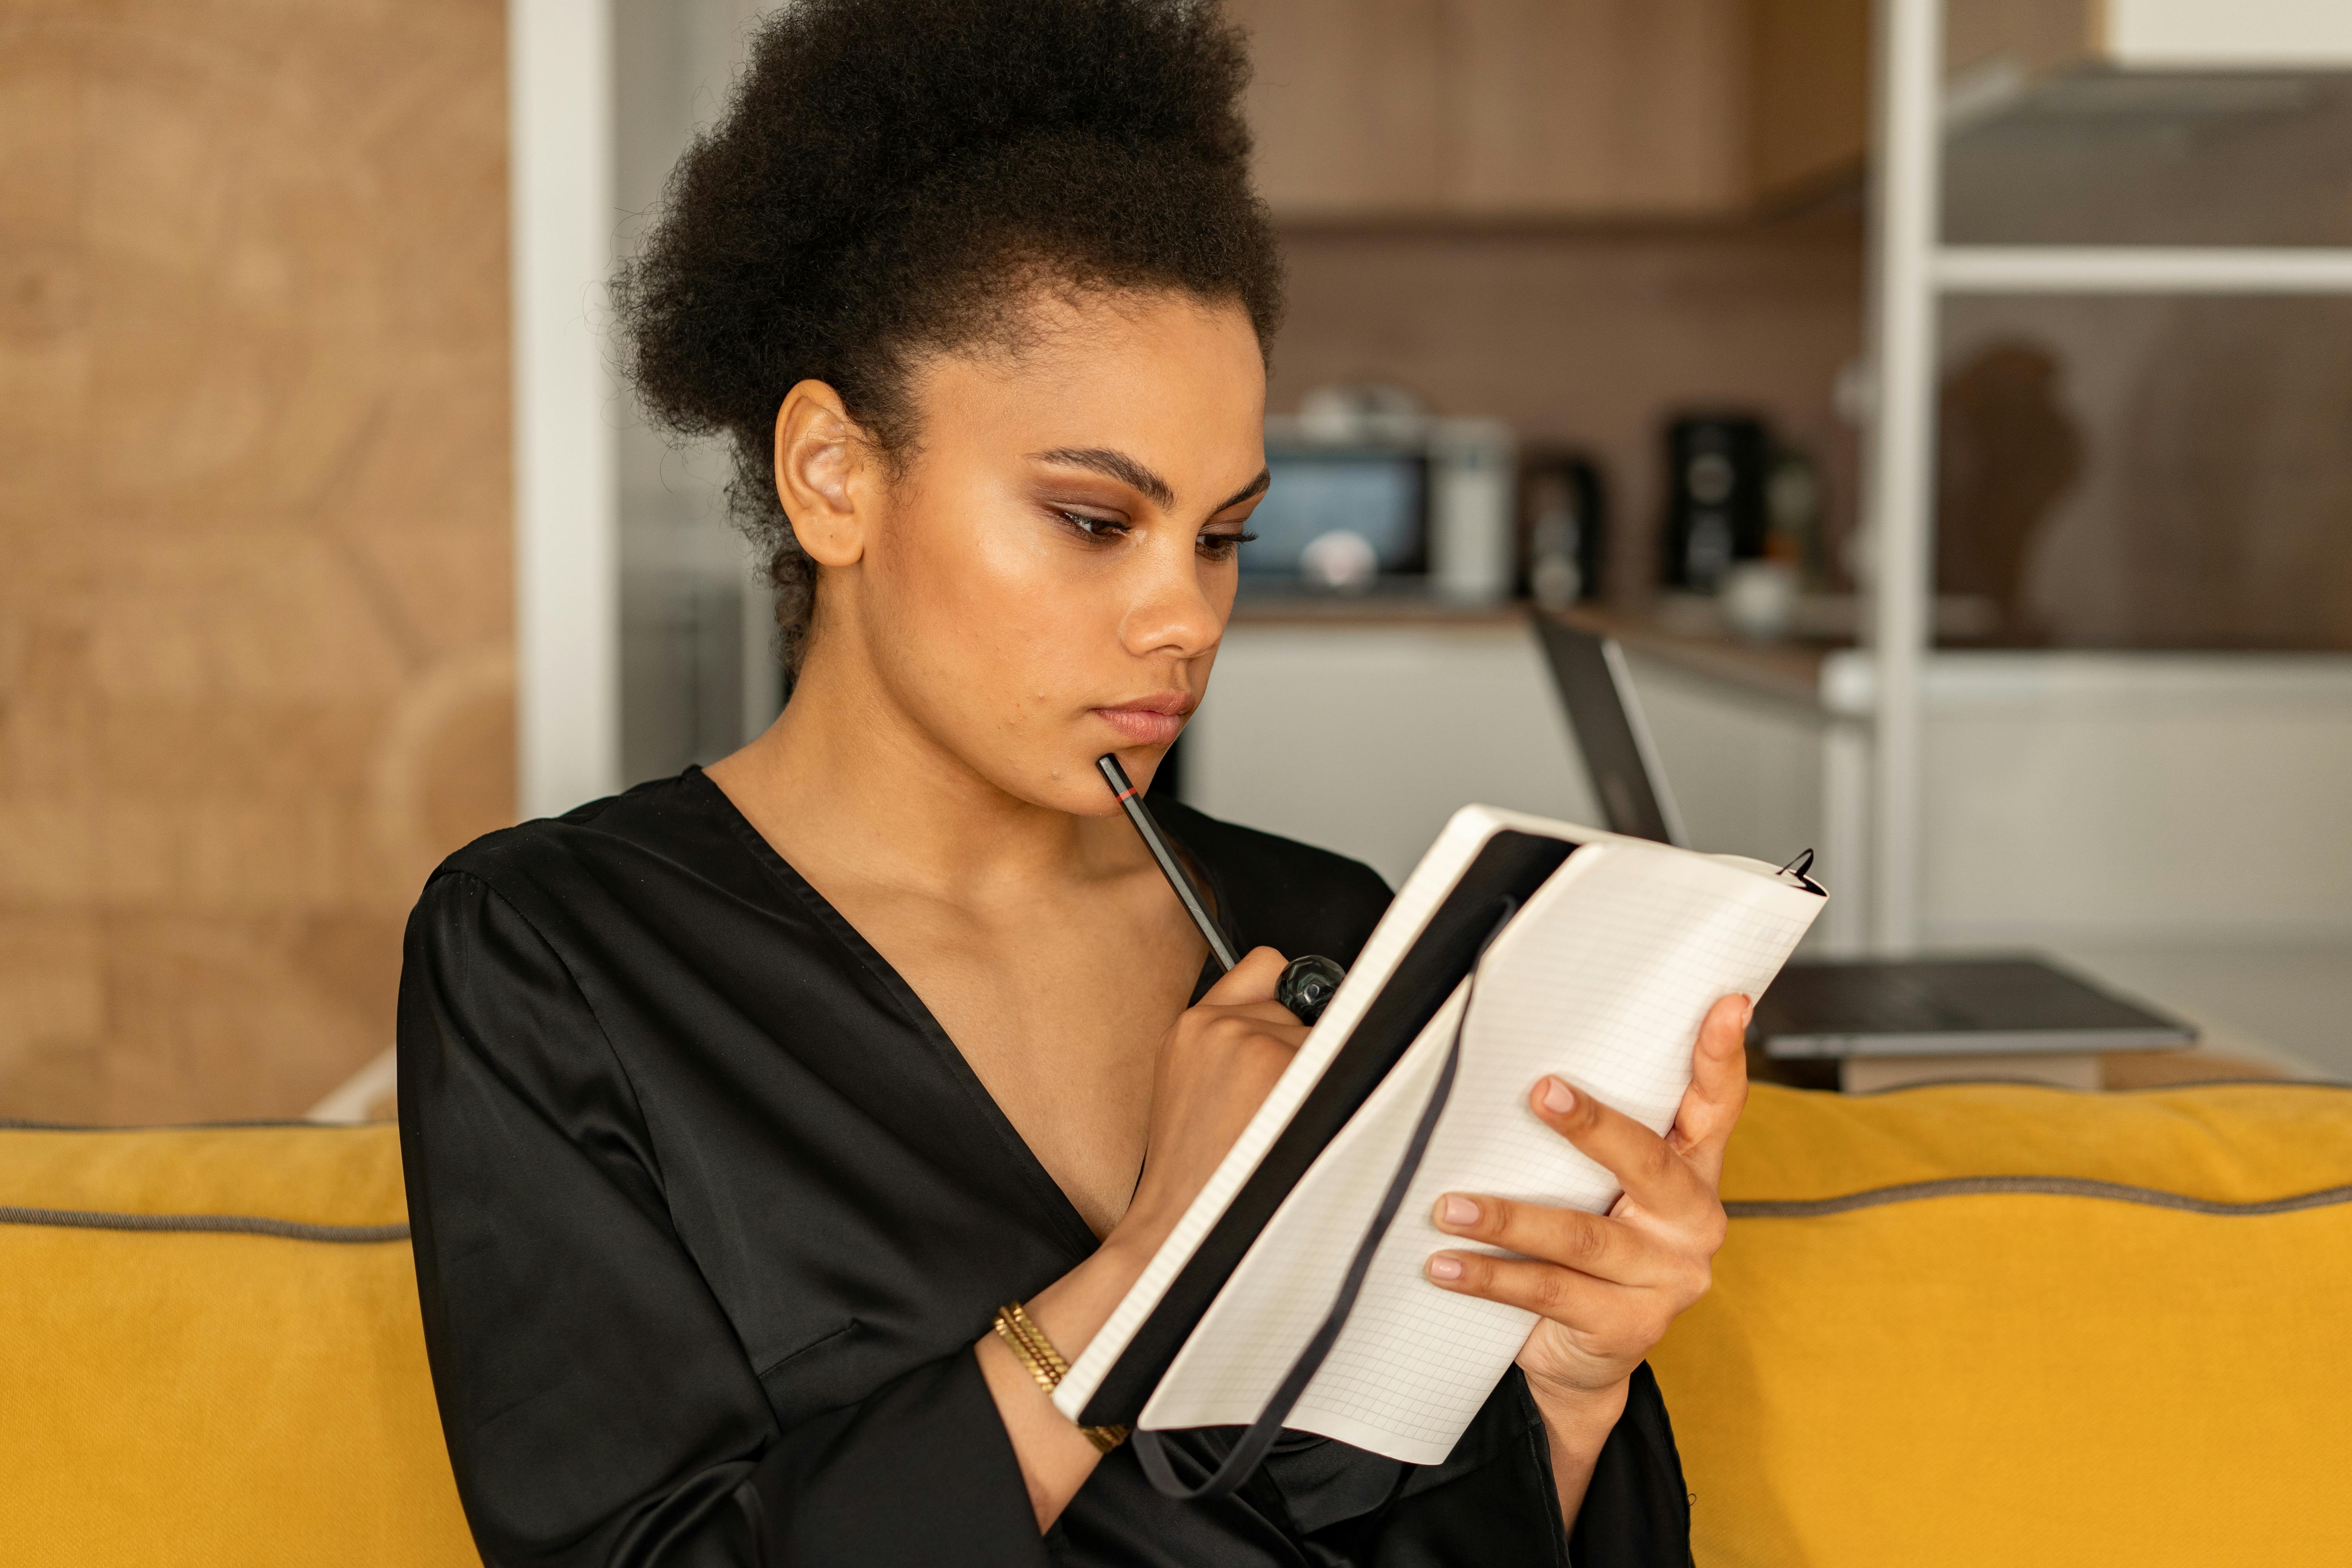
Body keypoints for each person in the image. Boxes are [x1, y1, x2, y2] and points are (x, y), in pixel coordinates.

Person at [396, 2, 1746, 1562]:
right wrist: (1152, 1263)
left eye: (1223, 535)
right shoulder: (555, 958)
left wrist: (1570, 1394)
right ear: (834, 476)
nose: (1186, 615)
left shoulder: (1330, 931)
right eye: (1098, 520)